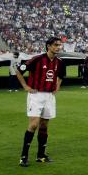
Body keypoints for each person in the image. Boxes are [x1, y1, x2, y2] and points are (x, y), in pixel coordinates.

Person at [16, 37, 65, 167]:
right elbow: (19, 70)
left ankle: (41, 155)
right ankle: (24, 156)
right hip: (36, 95)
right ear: (48, 46)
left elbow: (61, 76)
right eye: (55, 45)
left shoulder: (60, 62)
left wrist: (57, 86)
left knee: (44, 126)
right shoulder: (37, 59)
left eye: (59, 45)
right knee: (33, 125)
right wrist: (25, 86)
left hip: (49, 96)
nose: (58, 47)